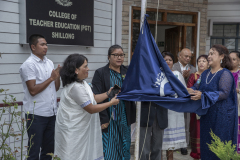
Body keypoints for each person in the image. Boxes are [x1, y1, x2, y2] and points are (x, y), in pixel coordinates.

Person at [54, 54, 119, 160]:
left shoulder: (83, 84)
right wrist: (111, 103)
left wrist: (108, 93)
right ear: (76, 70)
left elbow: (94, 99)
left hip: (81, 131)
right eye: (85, 66)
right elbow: (91, 109)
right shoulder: (76, 88)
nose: (88, 69)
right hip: (73, 132)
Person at [188, 44, 238, 159]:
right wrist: (185, 90)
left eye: (212, 54)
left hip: (222, 117)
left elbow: (224, 93)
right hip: (207, 116)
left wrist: (203, 95)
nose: (208, 56)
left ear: (221, 56)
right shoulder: (205, 73)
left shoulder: (225, 73)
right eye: (209, 54)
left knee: (219, 147)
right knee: (207, 145)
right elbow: (196, 87)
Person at [19, 34, 60, 160]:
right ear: (33, 47)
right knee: (33, 151)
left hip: (51, 113)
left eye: (46, 44)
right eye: (42, 44)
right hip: (35, 114)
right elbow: (32, 90)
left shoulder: (49, 62)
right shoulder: (29, 64)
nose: (46, 47)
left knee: (48, 151)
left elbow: (55, 88)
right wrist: (51, 78)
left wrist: (57, 78)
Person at [92, 45, 136, 160]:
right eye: (115, 55)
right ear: (108, 57)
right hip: (109, 115)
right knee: (110, 147)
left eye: (121, 55)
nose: (119, 57)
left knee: (125, 145)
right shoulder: (100, 73)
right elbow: (96, 97)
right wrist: (103, 119)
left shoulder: (128, 71)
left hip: (125, 115)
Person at [161, 52, 187, 160]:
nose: (167, 62)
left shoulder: (177, 74)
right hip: (161, 108)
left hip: (174, 110)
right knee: (160, 137)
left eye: (170, 60)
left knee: (171, 139)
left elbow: (183, 90)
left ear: (173, 62)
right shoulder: (157, 74)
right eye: (165, 59)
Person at [173, 48, 197, 155]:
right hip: (175, 100)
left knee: (186, 122)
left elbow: (194, 85)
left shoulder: (193, 69)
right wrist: (182, 77)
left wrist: (187, 78)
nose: (188, 58)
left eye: (189, 57)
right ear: (179, 57)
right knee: (174, 122)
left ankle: (184, 145)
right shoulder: (173, 67)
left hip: (187, 100)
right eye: (185, 56)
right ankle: (173, 144)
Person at [187, 55, 208, 160]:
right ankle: (196, 154)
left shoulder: (210, 75)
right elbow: (190, 89)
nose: (201, 63)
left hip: (208, 107)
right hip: (195, 108)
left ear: (208, 63)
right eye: (199, 61)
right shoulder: (193, 76)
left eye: (204, 61)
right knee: (196, 129)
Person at [229, 51, 240, 153]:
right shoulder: (224, 72)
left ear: (239, 61)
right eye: (229, 59)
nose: (231, 61)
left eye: (234, 59)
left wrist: (237, 90)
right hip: (226, 107)